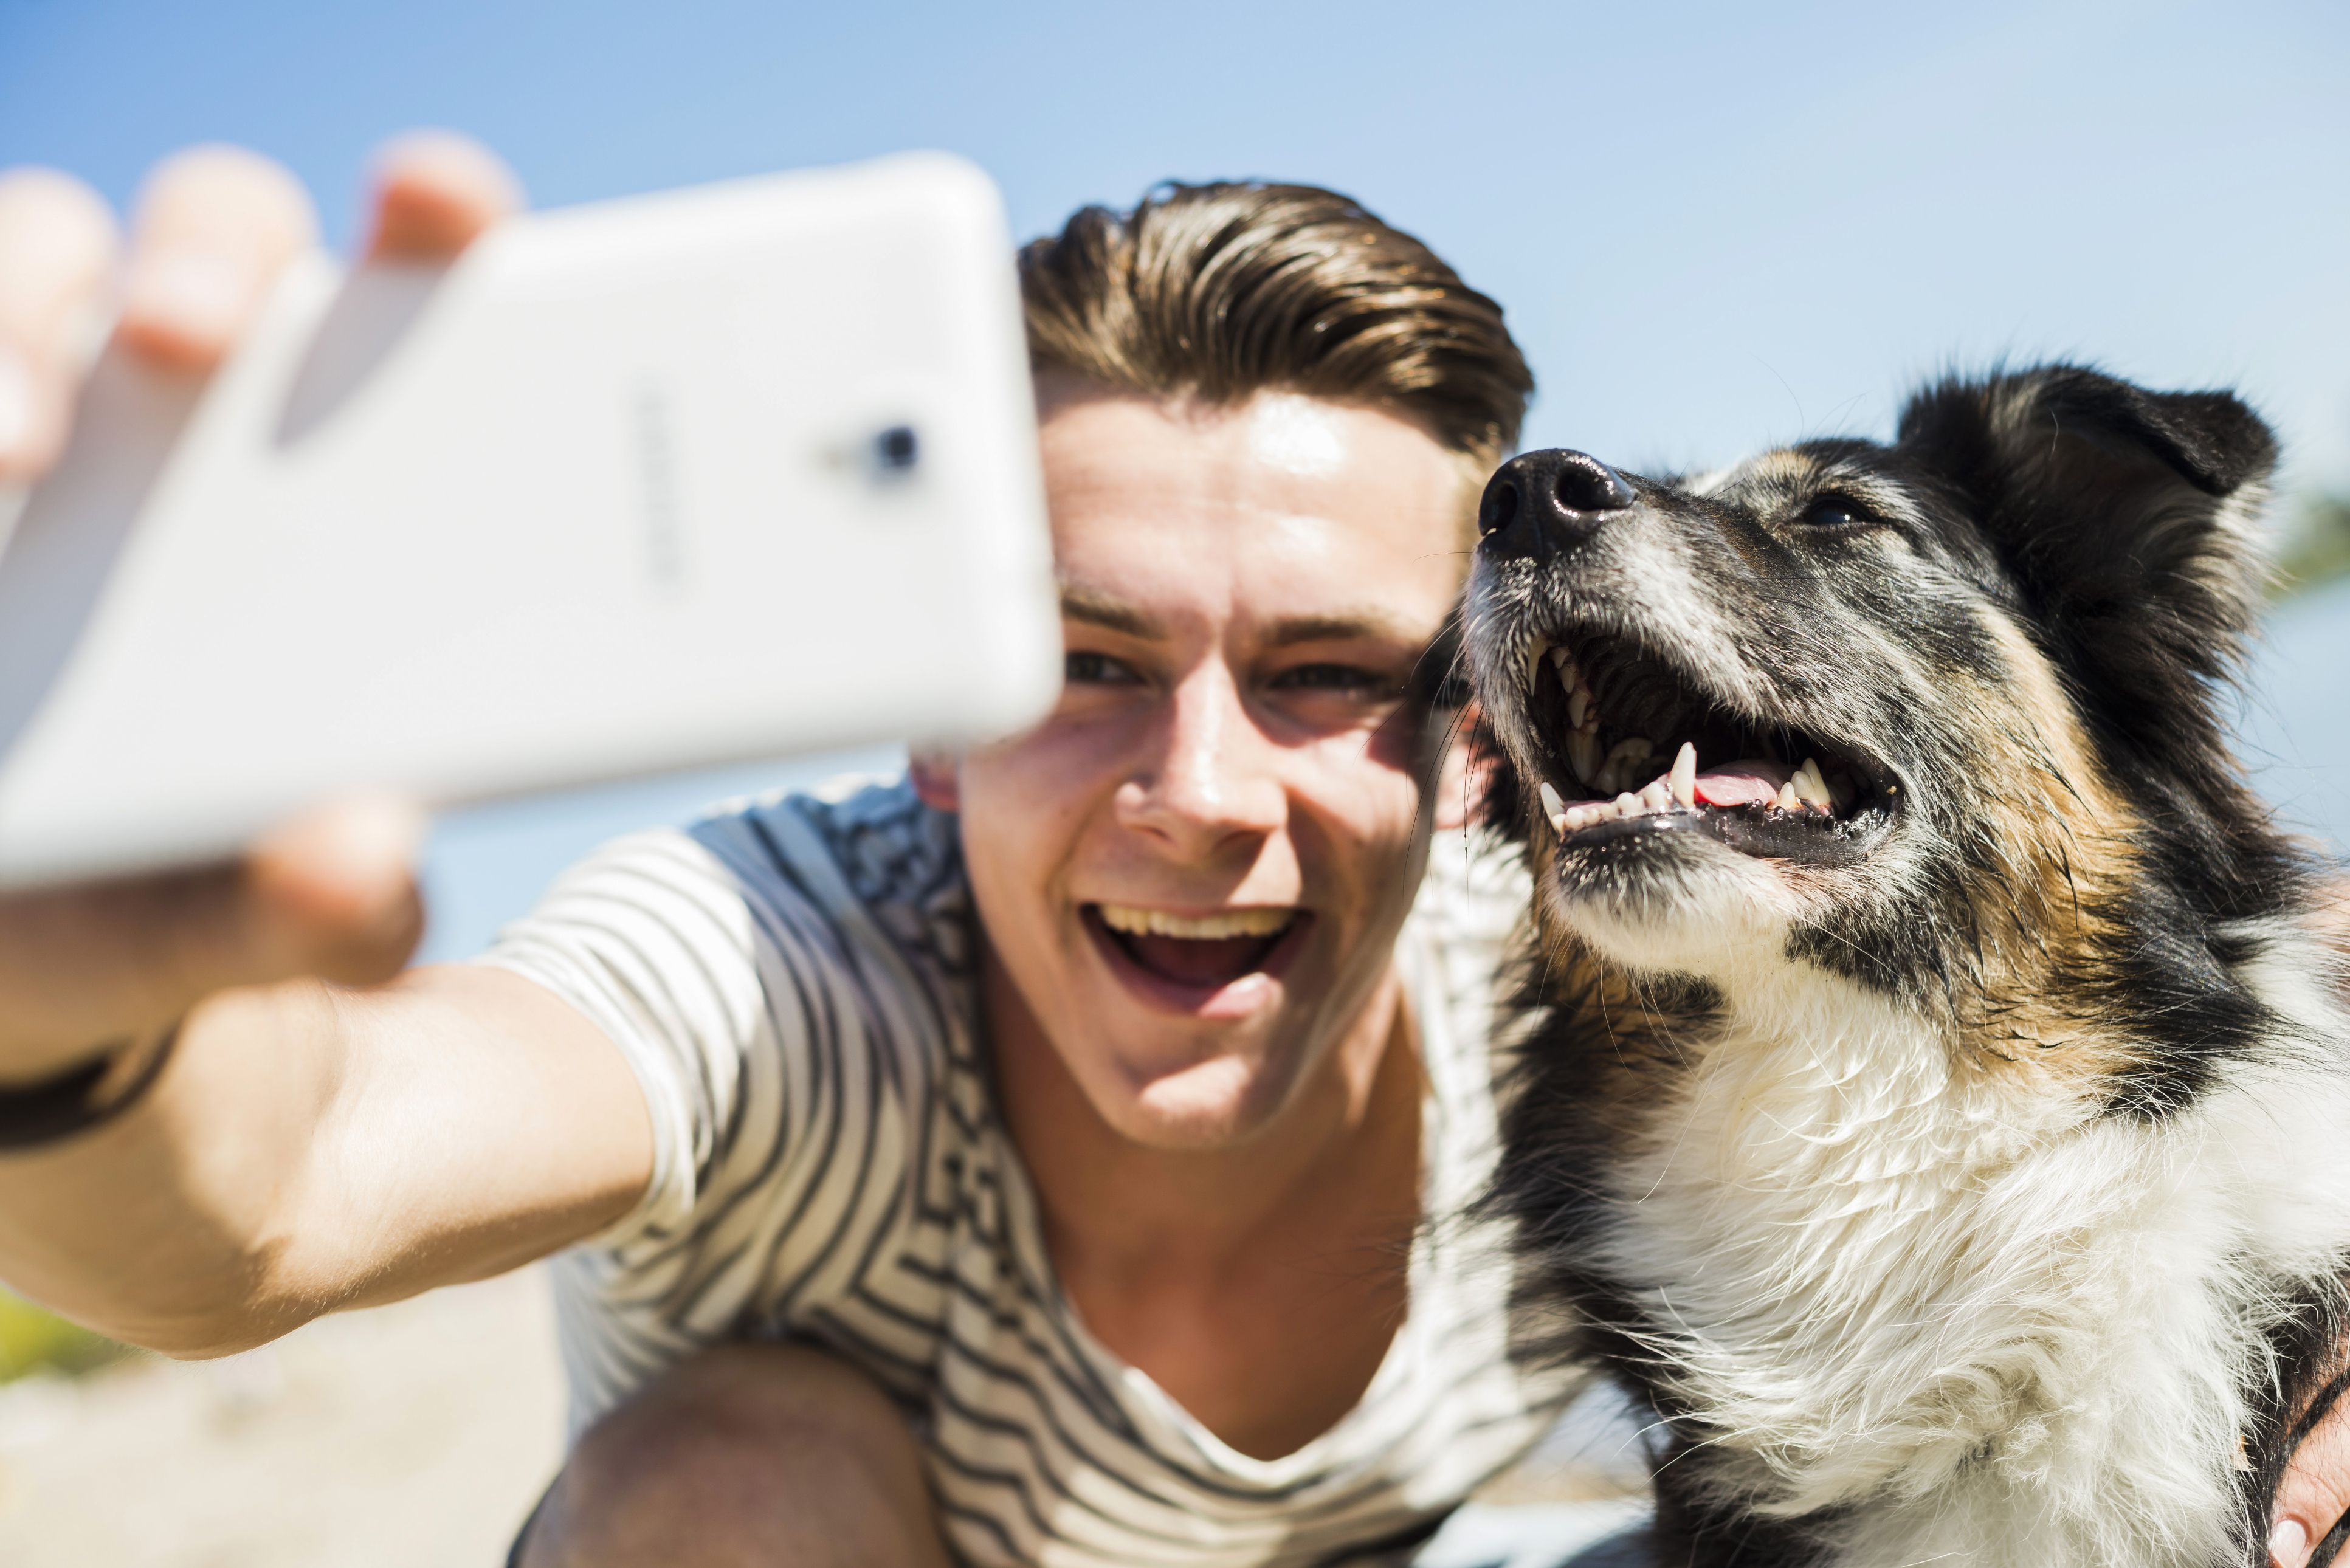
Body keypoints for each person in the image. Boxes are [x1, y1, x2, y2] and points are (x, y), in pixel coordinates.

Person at [0, 135, 2341, 1568]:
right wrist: (59, 1016)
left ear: (1475, 766)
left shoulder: (1602, 998)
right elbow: (279, 1193)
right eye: (1080, 658)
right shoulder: (779, 967)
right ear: (923, 720)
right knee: (735, 1474)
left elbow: (2231, 927)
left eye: (1329, 670)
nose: (1203, 792)